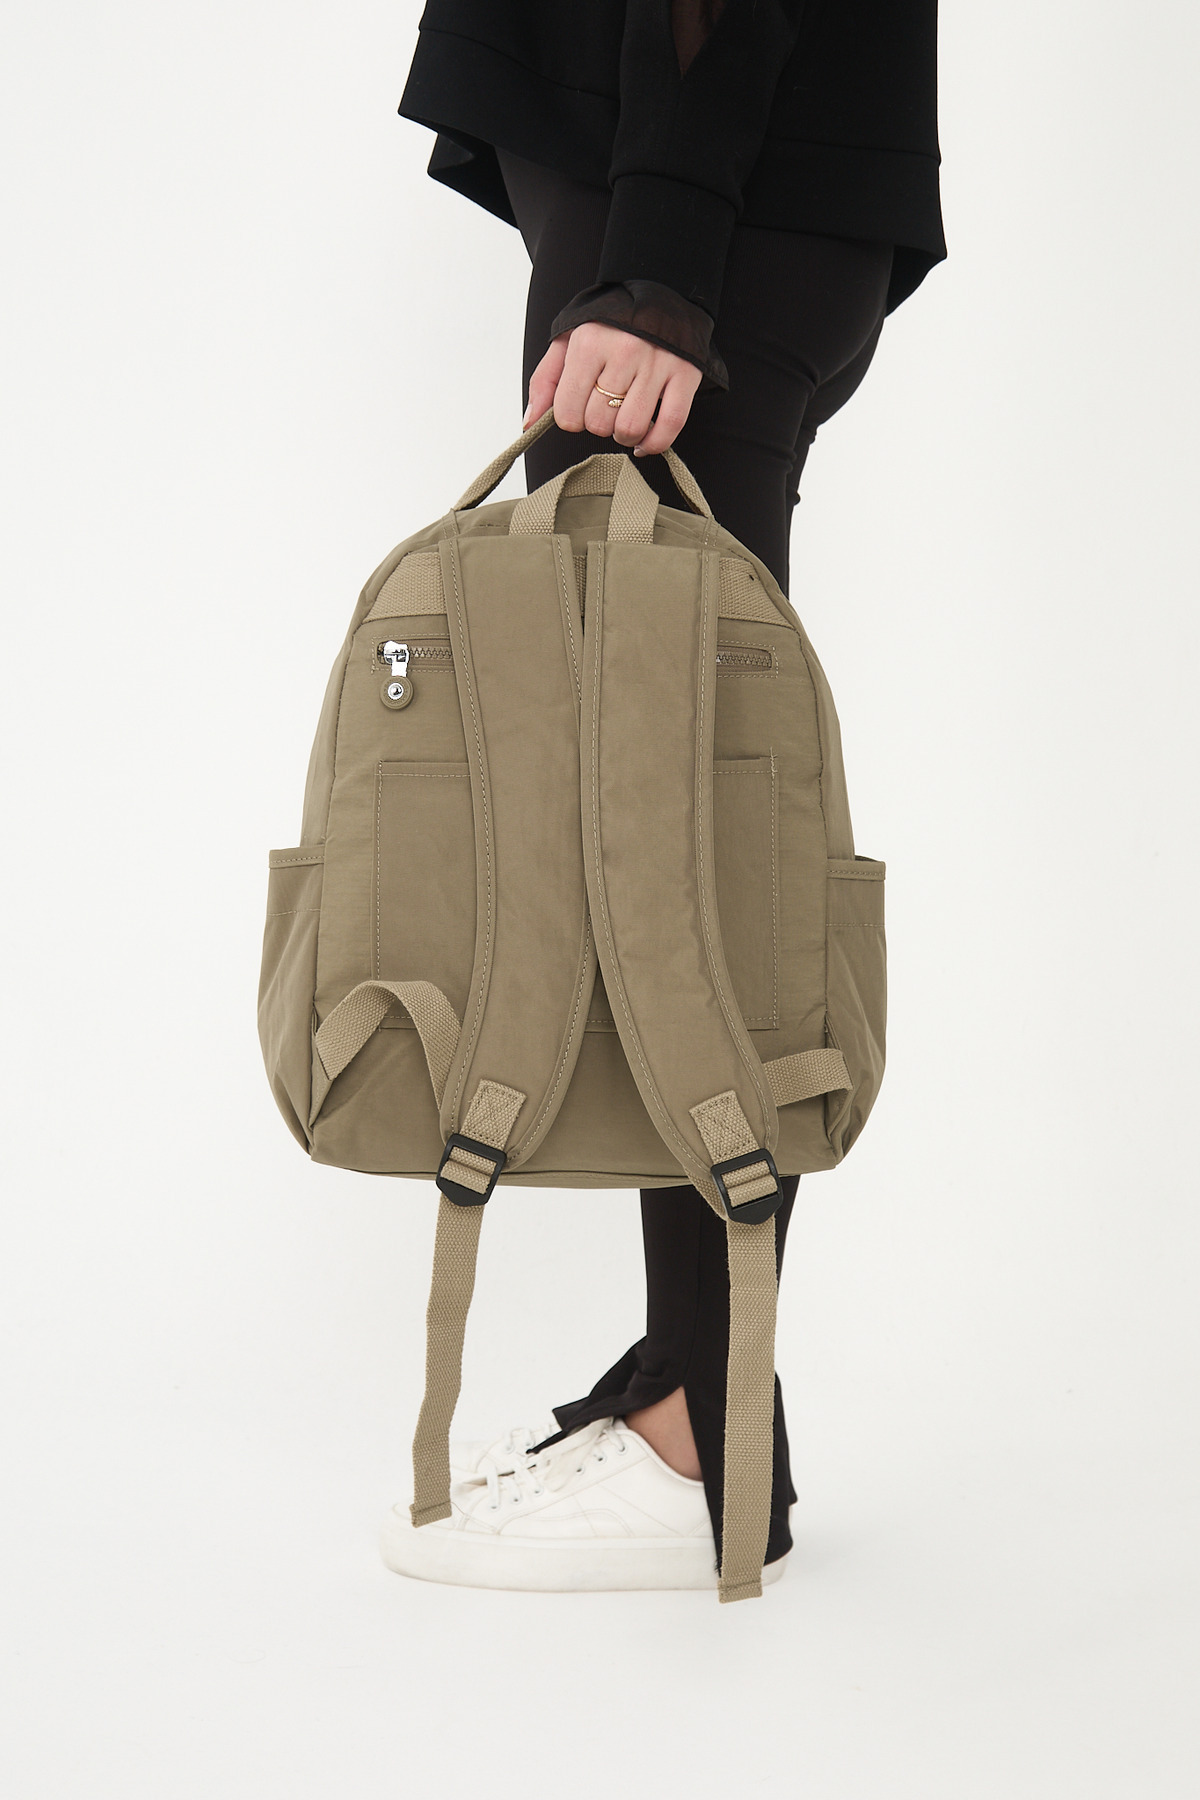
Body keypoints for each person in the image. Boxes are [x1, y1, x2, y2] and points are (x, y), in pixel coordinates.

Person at [382, 0, 945, 1593]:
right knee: (655, 804)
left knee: (681, 819)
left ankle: (706, 1432)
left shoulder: (674, 246)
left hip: (702, 188)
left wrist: (663, 261)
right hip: (661, 166)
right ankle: (698, 1384)